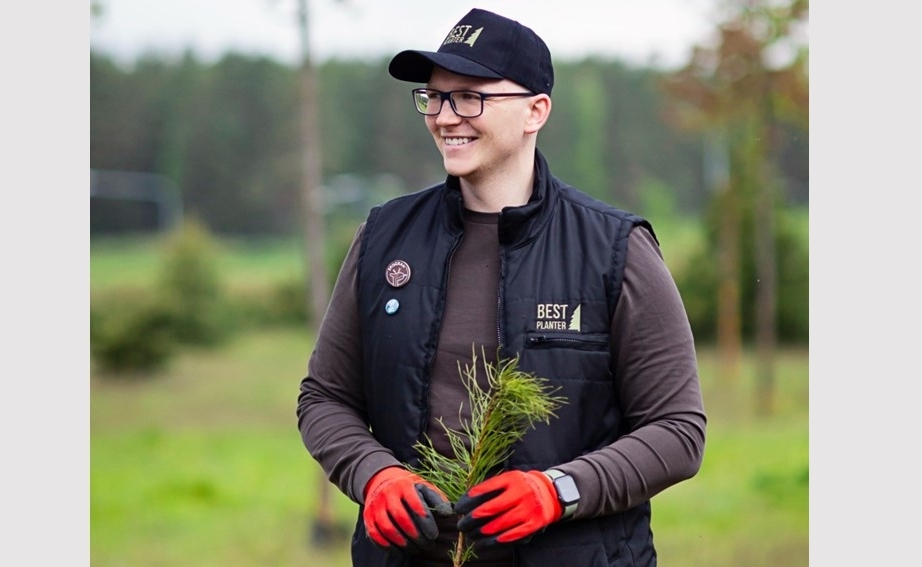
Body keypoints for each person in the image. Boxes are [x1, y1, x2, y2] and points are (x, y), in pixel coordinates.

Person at [297, 7, 706, 566]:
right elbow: (325, 397)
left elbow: (677, 431)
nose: (445, 116)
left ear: (536, 111)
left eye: (471, 97)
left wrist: (558, 490)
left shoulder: (615, 249)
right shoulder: (383, 239)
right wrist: (375, 476)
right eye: (435, 97)